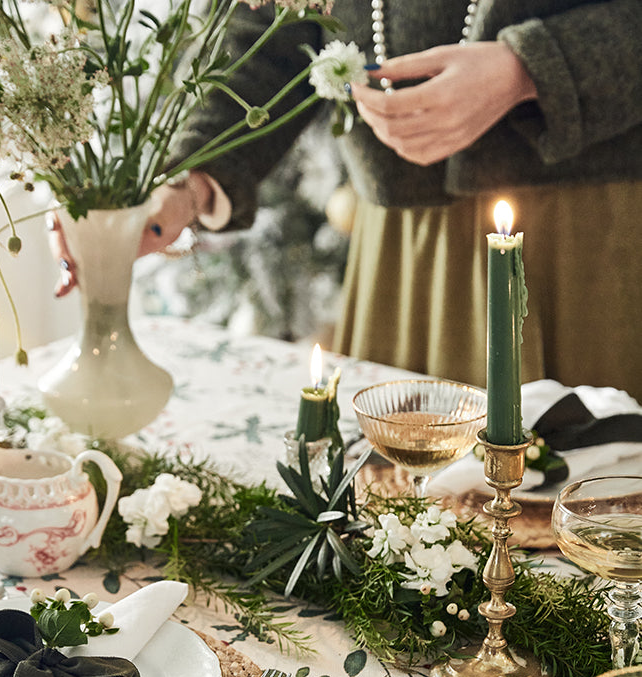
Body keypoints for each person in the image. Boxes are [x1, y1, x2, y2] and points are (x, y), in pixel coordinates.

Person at [51, 1, 642, 399]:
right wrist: (186, 181)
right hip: (405, 250)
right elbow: (269, 30)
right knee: (408, 528)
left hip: (597, 229)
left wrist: (534, 68)